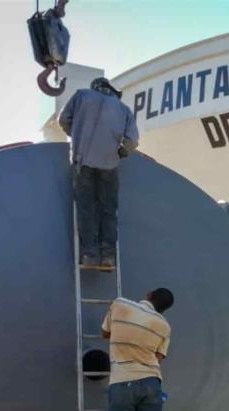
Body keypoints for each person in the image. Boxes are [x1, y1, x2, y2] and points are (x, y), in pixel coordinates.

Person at [58, 77, 139, 268]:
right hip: (109, 163)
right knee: (108, 209)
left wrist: (76, 134)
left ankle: (89, 255)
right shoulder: (123, 109)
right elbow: (132, 141)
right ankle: (108, 256)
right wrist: (121, 151)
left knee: (86, 208)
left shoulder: (81, 96)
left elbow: (63, 120)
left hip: (82, 160)